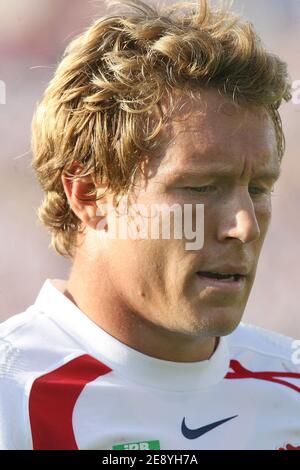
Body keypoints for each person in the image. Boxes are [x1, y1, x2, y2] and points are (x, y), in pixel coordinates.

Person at [0, 0, 299, 451]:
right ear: (89, 195)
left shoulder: (290, 386)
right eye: (200, 187)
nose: (244, 226)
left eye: (258, 188)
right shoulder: (11, 398)